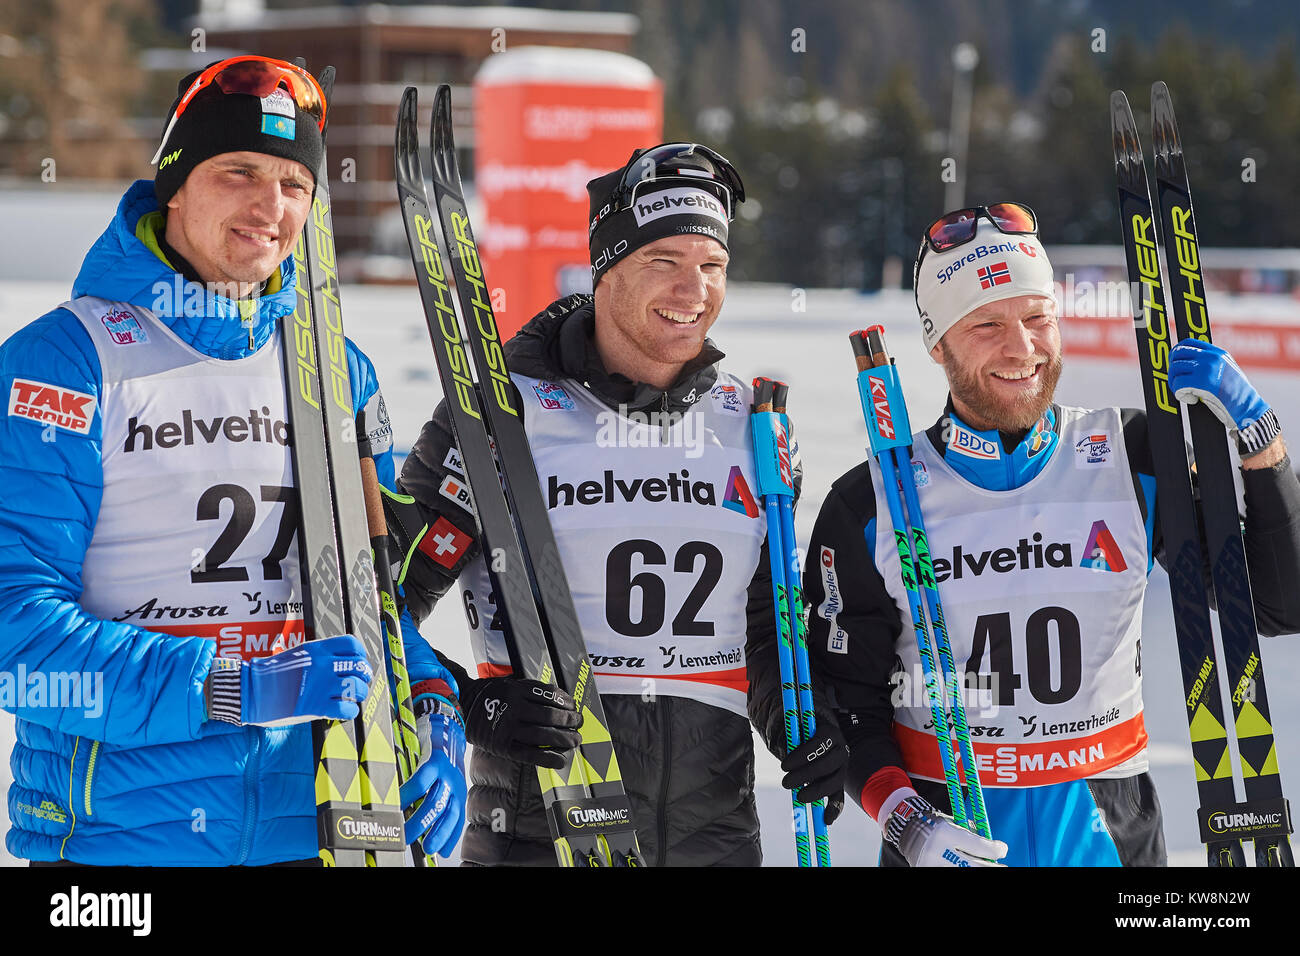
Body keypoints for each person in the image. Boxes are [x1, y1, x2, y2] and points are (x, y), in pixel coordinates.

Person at [0, 56, 465, 865]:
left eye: (295, 183)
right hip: (115, 846)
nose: (269, 206)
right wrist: (230, 688)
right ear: (174, 184)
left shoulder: (336, 370)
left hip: (318, 829)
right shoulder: (62, 365)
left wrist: (432, 702)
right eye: (238, 171)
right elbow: (16, 628)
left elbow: (370, 592)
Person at [386, 143, 847, 865]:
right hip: (540, 836)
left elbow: (765, 629)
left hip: (716, 842)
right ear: (605, 269)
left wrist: (804, 724)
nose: (693, 289)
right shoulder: (503, 413)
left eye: (712, 265)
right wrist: (473, 707)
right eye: (664, 261)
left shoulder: (752, 426)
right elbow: (378, 605)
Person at [802, 203, 1300, 866]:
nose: (1022, 348)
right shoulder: (869, 503)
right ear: (936, 342)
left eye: (1038, 317)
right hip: (953, 843)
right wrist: (905, 817)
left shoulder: (1132, 454)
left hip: (1110, 845)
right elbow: (844, 696)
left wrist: (1263, 449)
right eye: (986, 325)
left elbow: (1277, 605)